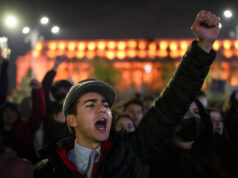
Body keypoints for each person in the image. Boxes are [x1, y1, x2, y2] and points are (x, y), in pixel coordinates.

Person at [34, 10, 220, 178]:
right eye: (91, 104)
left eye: (106, 105)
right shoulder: (49, 169)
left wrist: (203, 47)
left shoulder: (131, 152)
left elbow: (173, 102)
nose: (102, 110)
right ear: (72, 120)